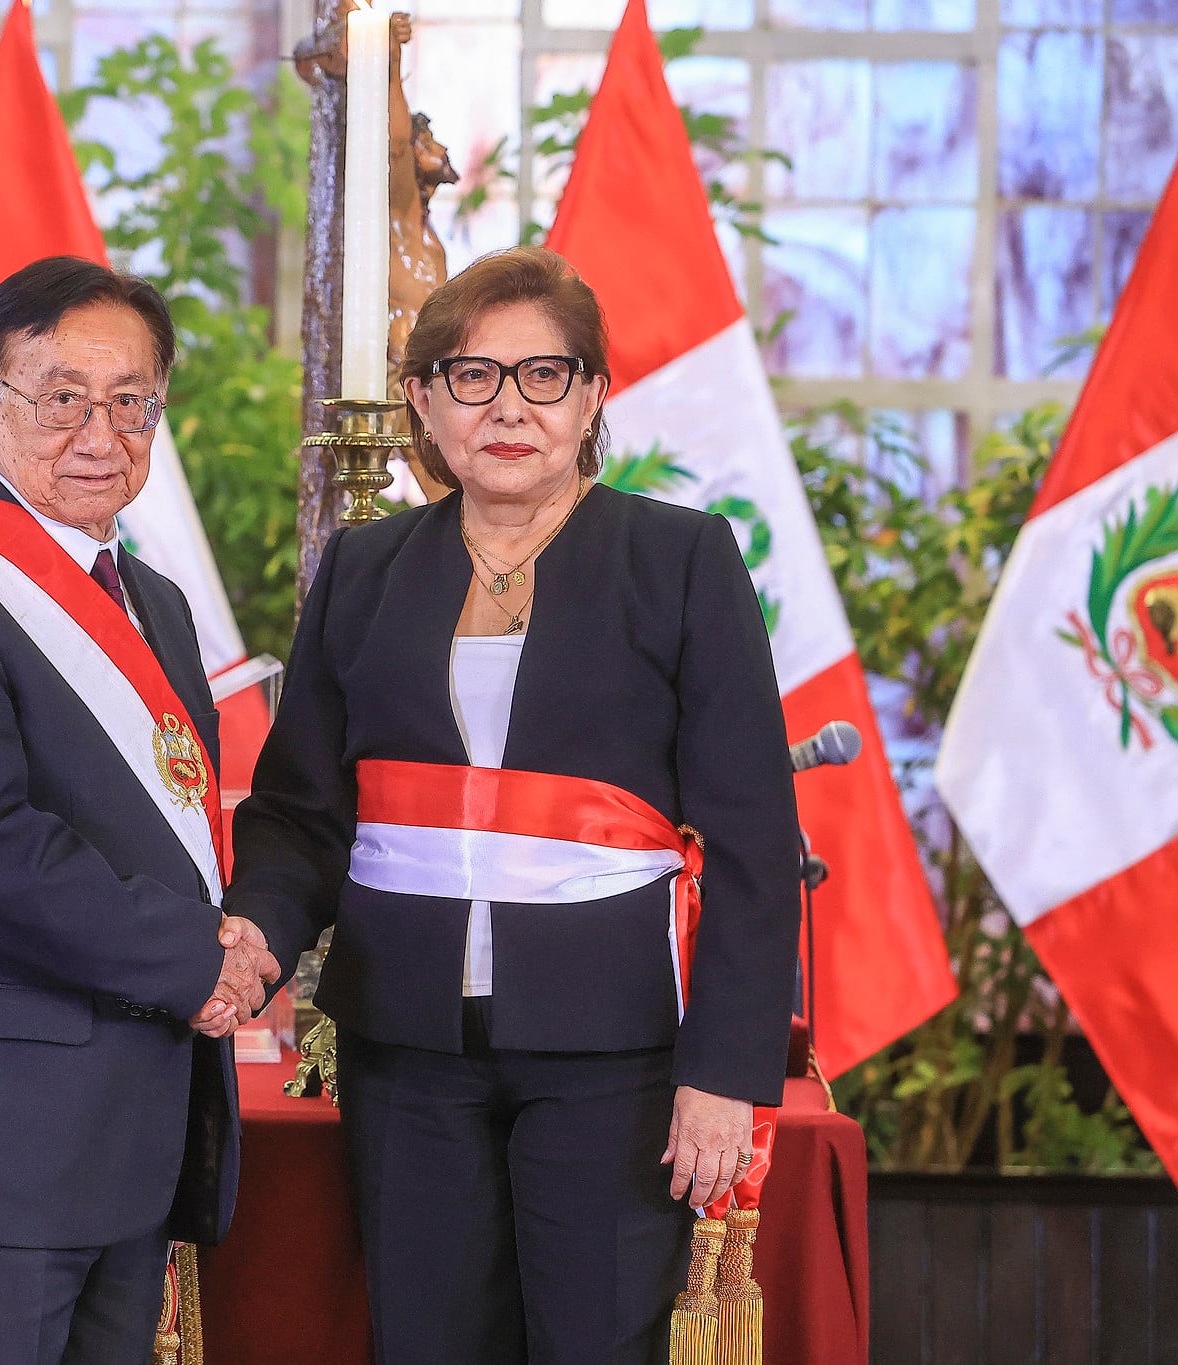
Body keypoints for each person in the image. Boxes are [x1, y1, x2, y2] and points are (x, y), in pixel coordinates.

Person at [227, 245, 801, 1364]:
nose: (507, 407)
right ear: (422, 401)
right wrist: (253, 935)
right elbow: (303, 812)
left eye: (544, 374)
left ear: (591, 397)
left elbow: (750, 842)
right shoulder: (363, 568)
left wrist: (725, 1074)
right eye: (471, 375)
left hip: (614, 1051)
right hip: (404, 1047)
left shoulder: (678, 558)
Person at [0, 255, 281, 1365]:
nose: (98, 434)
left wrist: (239, 936)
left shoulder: (155, 604)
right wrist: (196, 958)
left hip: (122, 1142)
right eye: (61, 397)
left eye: (131, 401)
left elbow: (171, 829)